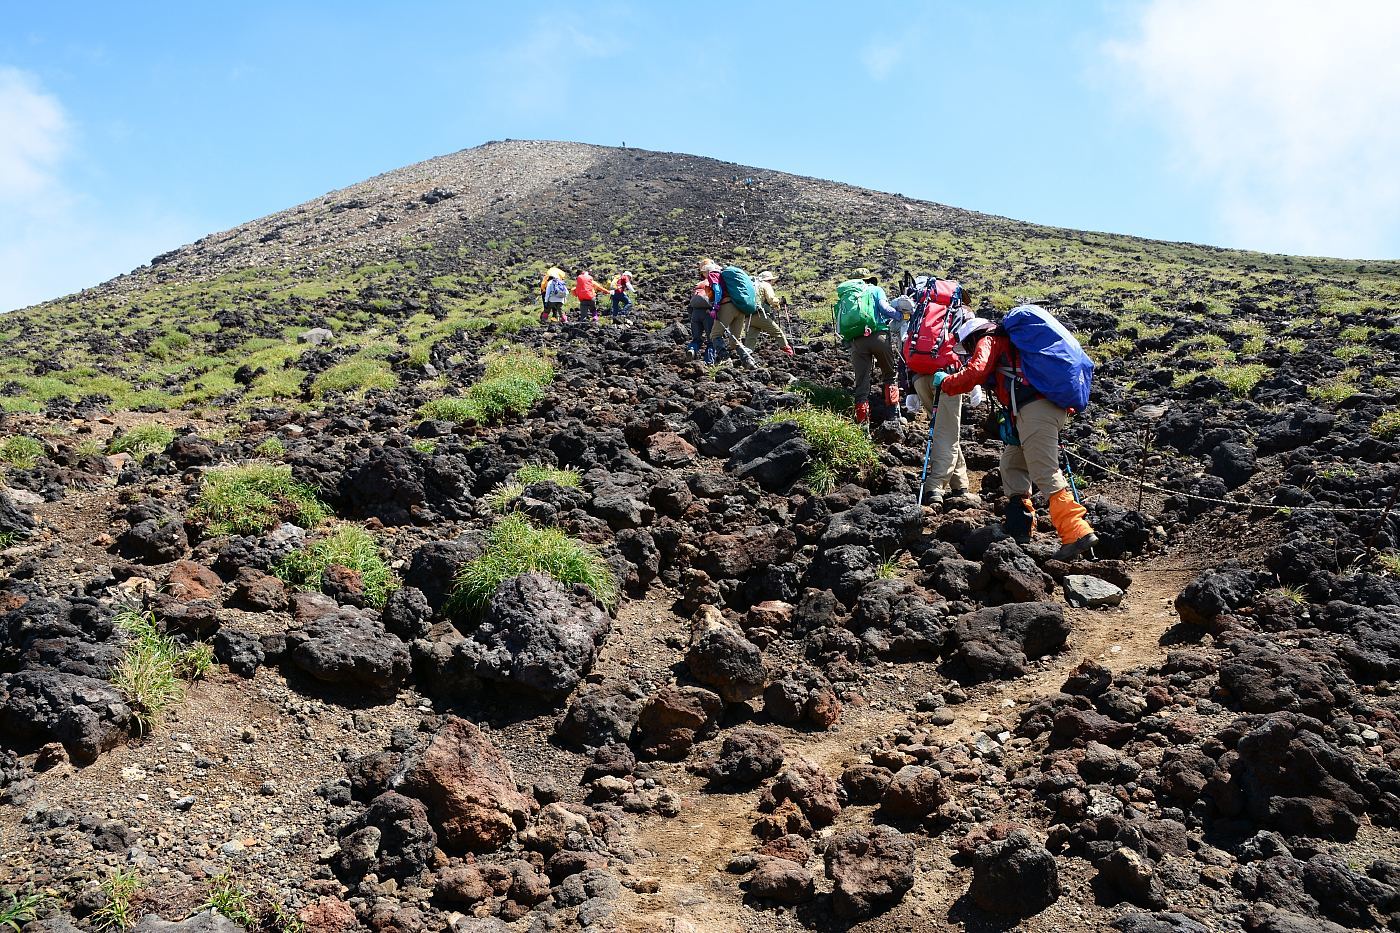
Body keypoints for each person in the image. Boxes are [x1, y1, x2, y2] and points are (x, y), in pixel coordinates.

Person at [934, 316, 1099, 560]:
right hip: (1039, 410)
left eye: (967, 346)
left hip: (1035, 411)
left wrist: (947, 381)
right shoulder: (1011, 346)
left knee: (1045, 471)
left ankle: (1076, 531)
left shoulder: (989, 340)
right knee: (1012, 463)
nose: (968, 351)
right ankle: (1019, 526)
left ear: (972, 337)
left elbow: (976, 371)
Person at [839, 268, 900, 424]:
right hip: (878, 336)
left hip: (857, 341)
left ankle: (863, 425)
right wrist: (903, 316)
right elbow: (885, 309)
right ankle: (893, 417)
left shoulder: (848, 295)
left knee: (862, 384)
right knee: (890, 375)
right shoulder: (875, 289)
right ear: (869, 279)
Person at [706, 262, 757, 369]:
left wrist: (715, 307)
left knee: (715, 335)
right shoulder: (729, 278)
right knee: (736, 340)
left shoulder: (713, 274)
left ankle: (726, 360)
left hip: (727, 306)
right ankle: (748, 361)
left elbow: (717, 290)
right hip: (739, 307)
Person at [742, 271, 794, 357]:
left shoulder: (753, 286)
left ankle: (747, 356)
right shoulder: (766, 285)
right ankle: (789, 352)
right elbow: (771, 299)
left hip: (749, 316)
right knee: (778, 332)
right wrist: (779, 302)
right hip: (760, 315)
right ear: (769, 280)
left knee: (751, 338)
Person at [688, 260, 721, 359]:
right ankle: (709, 362)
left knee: (696, 339)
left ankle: (692, 349)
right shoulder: (713, 283)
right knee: (711, 340)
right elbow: (716, 299)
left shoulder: (699, 284)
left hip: (695, 314)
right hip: (708, 314)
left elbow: (691, 304)